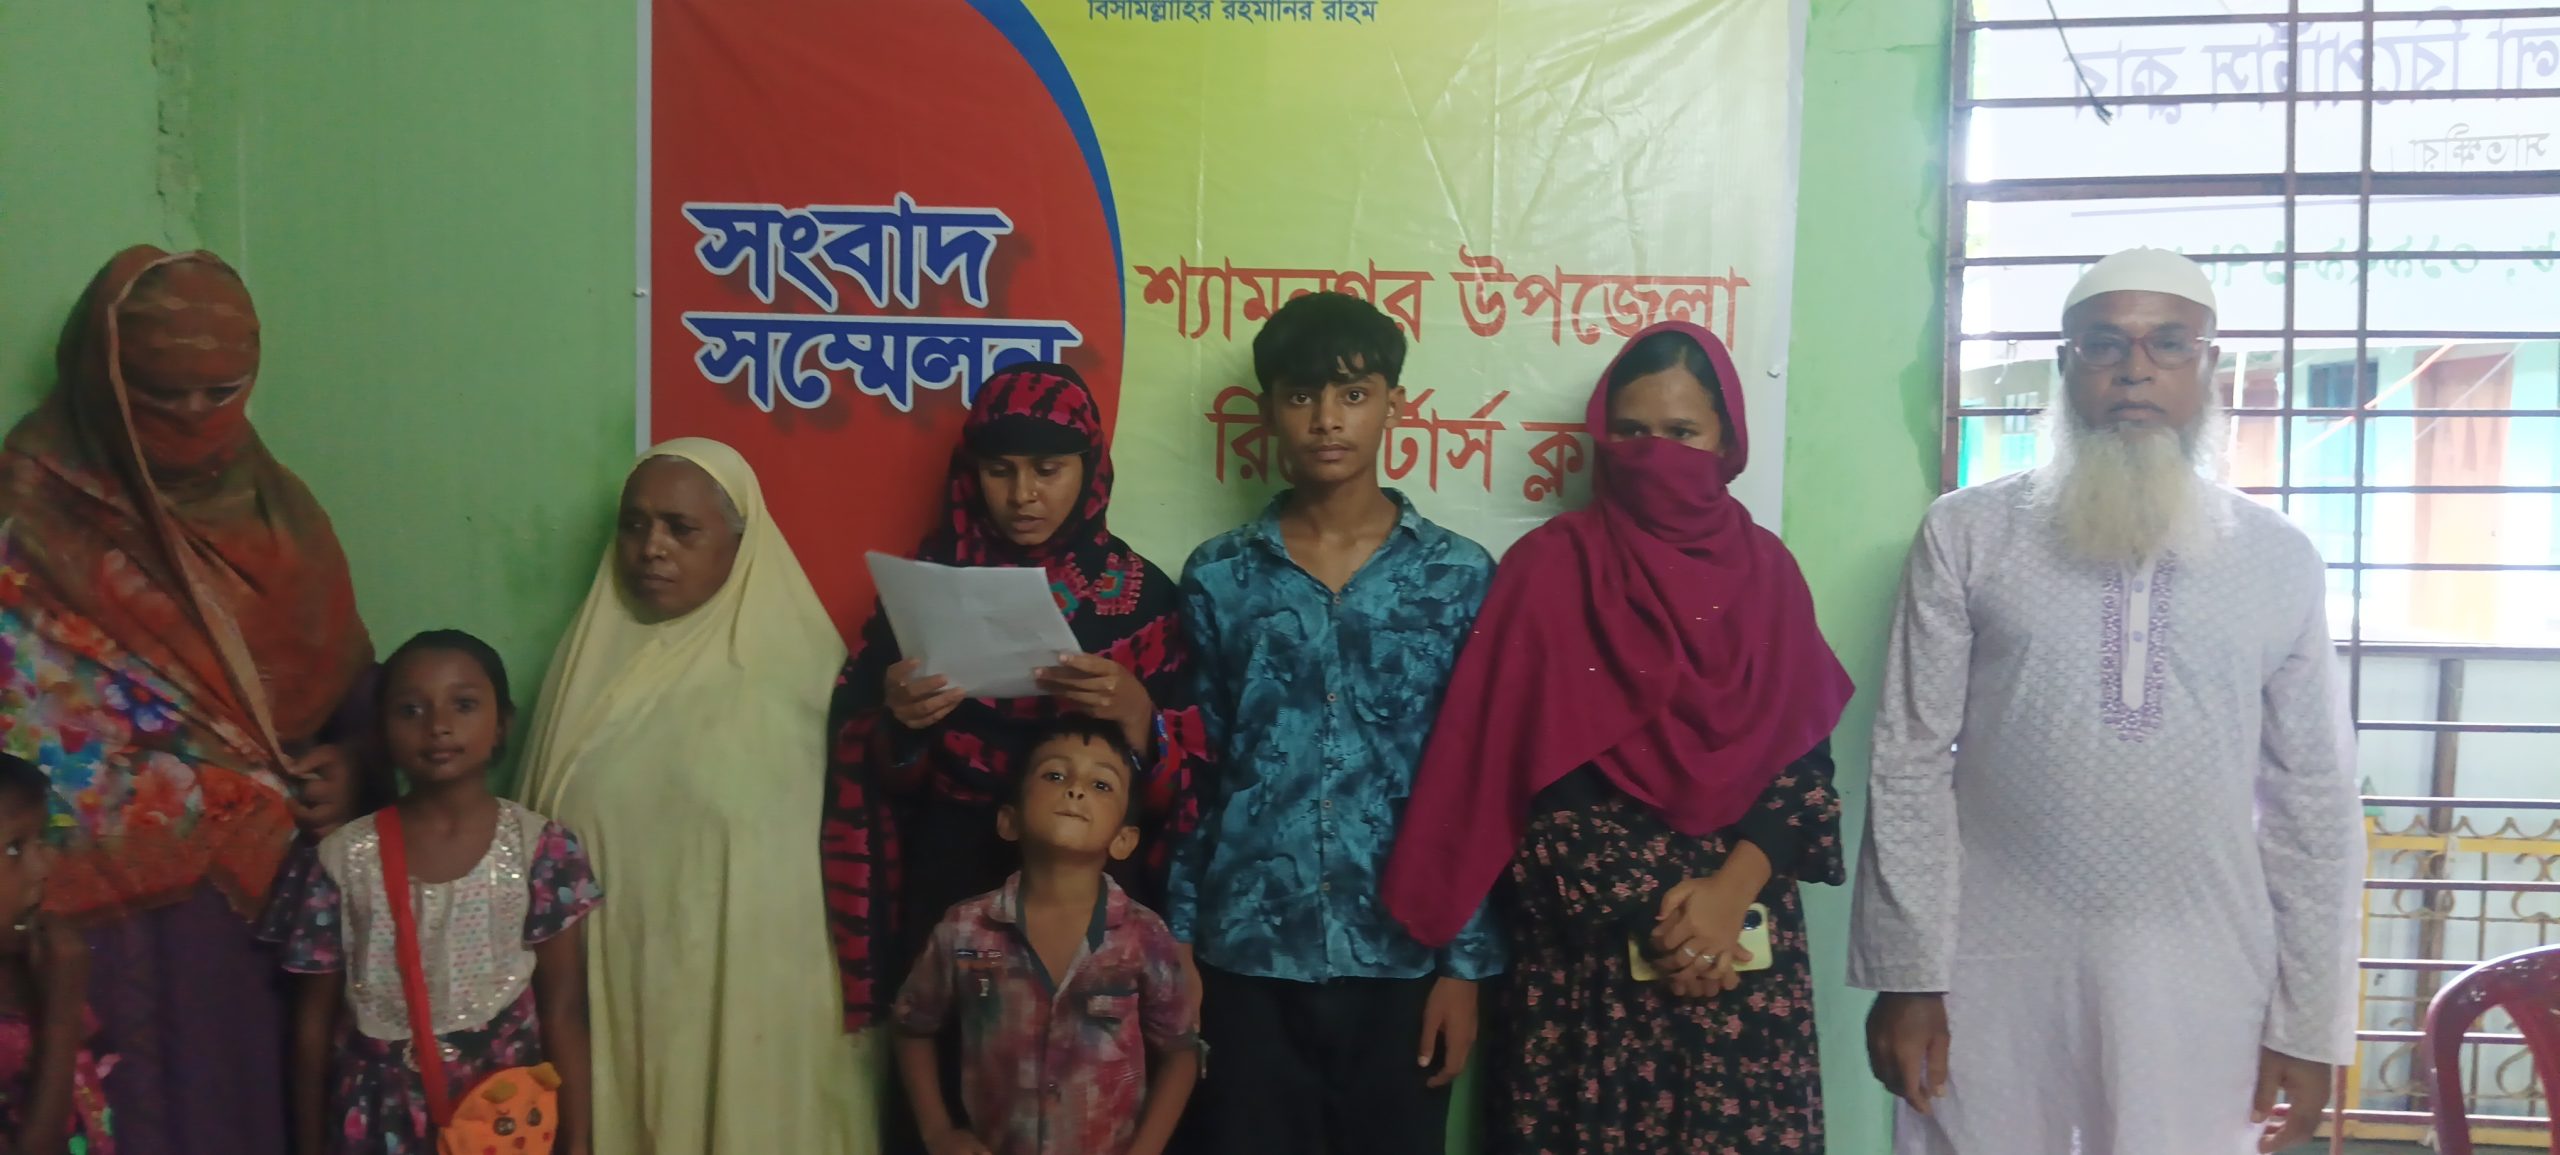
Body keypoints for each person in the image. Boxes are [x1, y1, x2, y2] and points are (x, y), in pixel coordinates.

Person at [1850, 248, 2363, 1155]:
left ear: (2208, 363)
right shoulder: (1967, 533)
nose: (2135, 370)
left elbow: (2313, 800)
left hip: (2207, 974)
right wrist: (1909, 974)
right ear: (2065, 364)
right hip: (1990, 972)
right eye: (2104, 344)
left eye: (2169, 343)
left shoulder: (2278, 556)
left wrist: (2310, 1022)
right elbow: (1909, 759)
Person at [1384, 322, 1856, 1154]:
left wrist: (1727, 898)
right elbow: (1516, 779)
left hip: (1740, 959)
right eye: (1632, 432)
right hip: (1590, 975)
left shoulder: (1768, 573)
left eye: (1682, 433)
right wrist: (1669, 925)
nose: (1655, 455)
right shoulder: (1549, 568)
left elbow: (1803, 766)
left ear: (1727, 441)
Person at [0, 246, 373, 1153]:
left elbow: (350, 701)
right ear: (104, 380)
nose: (198, 417)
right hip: (63, 924)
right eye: (163, 394)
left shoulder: (284, 524)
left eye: (224, 391)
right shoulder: (26, 512)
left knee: (231, 1108)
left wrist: (349, 766)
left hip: (235, 932)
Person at [1169, 291, 1499, 1155]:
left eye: (1353, 394)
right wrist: (1177, 945)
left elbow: (1475, 783)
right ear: (1268, 410)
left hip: (1403, 951)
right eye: (1301, 395)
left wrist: (1463, 967)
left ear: (1395, 404)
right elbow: (1197, 771)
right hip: (1246, 953)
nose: (1326, 419)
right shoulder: (1220, 576)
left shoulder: (1457, 577)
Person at [819, 364, 1206, 1093]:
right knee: (953, 1086)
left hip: (1094, 891)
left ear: (1090, 469)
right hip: (952, 872)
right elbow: (866, 766)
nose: (1023, 494)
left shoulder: (1140, 599)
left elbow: (1186, 793)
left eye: (1048, 470)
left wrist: (1137, 714)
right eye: (1000, 470)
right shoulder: (924, 587)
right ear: (972, 473)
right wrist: (902, 723)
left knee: (1087, 1093)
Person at [517, 440, 877, 1154]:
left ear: (740, 544)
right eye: (635, 525)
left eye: (682, 529)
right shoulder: (585, 668)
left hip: (747, 1009)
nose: (652, 547)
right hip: (609, 995)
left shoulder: (801, 681)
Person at [275, 631, 600, 1155]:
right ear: (380, 731)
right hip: (376, 1122)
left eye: (463, 705)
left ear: (502, 725)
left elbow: (563, 1007)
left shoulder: (541, 850)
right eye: (410, 710)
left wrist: (577, 1143)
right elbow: (312, 1025)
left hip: (503, 1124)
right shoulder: (340, 860)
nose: (438, 726)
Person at [891, 715, 1200, 1155]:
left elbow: (1181, 1052)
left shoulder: (1143, 936)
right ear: (1009, 820)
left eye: (1101, 785)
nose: (1075, 790)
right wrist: (938, 1131)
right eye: (1055, 775)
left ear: (1124, 840)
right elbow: (911, 1027)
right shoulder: (965, 929)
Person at [0, 753, 115, 1153]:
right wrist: (61, 1018)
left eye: (41, 839)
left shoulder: (38, 970)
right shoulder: (58, 991)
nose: (44, 866)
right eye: (14, 848)